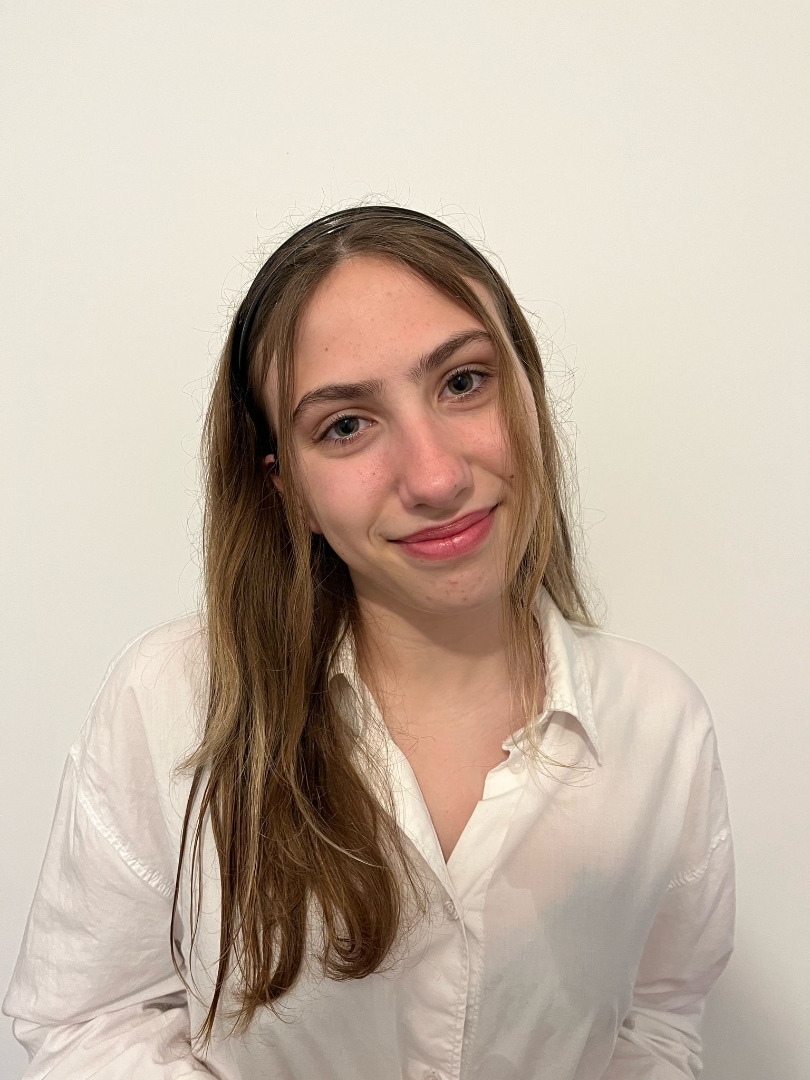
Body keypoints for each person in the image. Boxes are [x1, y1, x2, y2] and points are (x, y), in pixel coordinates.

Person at [3, 205, 735, 1079]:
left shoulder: (660, 723)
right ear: (289, 490)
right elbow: (85, 1022)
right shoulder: (169, 701)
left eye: (464, 382)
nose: (436, 477)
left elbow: (656, 1019)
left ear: (529, 394)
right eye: (345, 426)